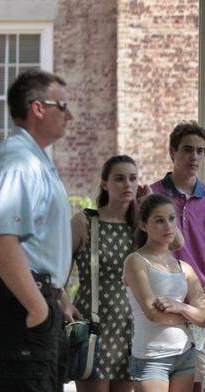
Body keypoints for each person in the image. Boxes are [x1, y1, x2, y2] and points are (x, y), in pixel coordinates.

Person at [0, 69, 76, 391]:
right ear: (38, 108)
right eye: (62, 106)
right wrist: (37, 308)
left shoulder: (33, 159)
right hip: (20, 304)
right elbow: (3, 240)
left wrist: (54, 300)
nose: (69, 115)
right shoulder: (18, 161)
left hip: (32, 301)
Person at [150, 122, 205, 390]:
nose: (194, 157)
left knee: (196, 385)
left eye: (200, 151)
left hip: (203, 305)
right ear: (172, 152)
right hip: (162, 300)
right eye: (187, 149)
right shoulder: (152, 195)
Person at [123, 194, 205, 392]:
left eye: (172, 219)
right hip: (151, 357)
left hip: (185, 355)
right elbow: (153, 314)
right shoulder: (136, 261)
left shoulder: (185, 268)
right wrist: (191, 316)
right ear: (143, 225)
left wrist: (181, 306)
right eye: (159, 220)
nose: (168, 226)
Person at [70, 155, 141, 392]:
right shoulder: (84, 222)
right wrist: (63, 303)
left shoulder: (141, 226)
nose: (127, 185)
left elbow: (176, 242)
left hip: (130, 327)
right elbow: (56, 273)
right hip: (94, 328)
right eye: (119, 179)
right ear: (105, 184)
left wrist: (148, 200)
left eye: (133, 179)